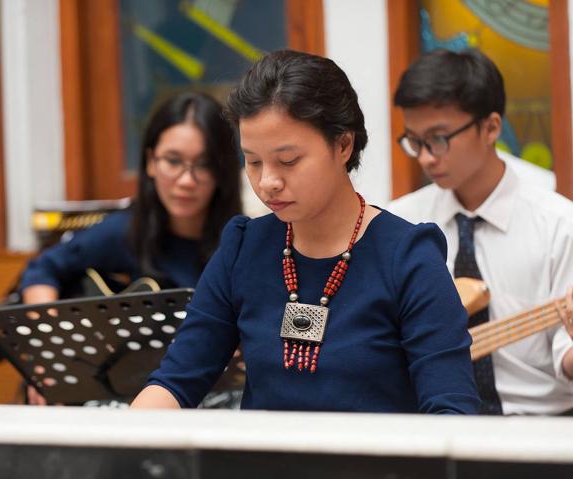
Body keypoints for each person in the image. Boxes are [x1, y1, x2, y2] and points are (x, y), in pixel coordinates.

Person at [131, 50, 480, 413]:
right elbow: (175, 381)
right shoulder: (244, 247)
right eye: (253, 161)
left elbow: (452, 410)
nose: (267, 182)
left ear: (343, 145)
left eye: (289, 161)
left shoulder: (408, 258)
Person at [20, 92, 242, 405]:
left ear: (223, 171)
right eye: (173, 161)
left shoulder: (242, 242)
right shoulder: (124, 231)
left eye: (203, 164)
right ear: (151, 162)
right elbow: (42, 269)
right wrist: (50, 349)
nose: (186, 180)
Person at [388, 48, 573, 415]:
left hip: (541, 428)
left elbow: (565, 354)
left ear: (491, 127)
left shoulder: (560, 224)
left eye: (438, 138)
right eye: (414, 141)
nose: (425, 157)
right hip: (430, 426)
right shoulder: (400, 224)